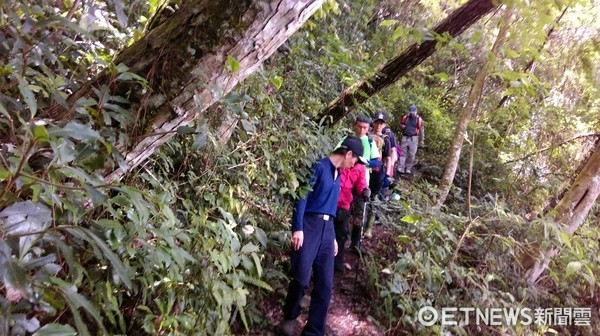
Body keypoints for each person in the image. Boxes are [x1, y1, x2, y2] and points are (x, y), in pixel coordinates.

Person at [276, 135, 367, 336]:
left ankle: (314, 331)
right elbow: (302, 197)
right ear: (348, 153)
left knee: (325, 286)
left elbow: (332, 210)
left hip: (327, 231)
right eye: (355, 160)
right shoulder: (319, 166)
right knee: (301, 278)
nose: (354, 165)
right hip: (309, 226)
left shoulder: (339, 175)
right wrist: (297, 228)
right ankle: (290, 316)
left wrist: (333, 237)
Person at [333, 155, 368, 274]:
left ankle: (337, 262)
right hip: (331, 203)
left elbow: (360, 185)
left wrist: (364, 191)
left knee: (341, 234)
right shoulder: (341, 162)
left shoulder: (360, 168)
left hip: (345, 204)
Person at [398, 105, 425, 175]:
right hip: (405, 137)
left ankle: (408, 168)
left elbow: (422, 130)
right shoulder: (405, 117)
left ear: (416, 112)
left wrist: (422, 139)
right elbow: (400, 124)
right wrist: (402, 126)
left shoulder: (419, 120)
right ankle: (400, 167)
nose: (412, 114)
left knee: (411, 154)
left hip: (414, 138)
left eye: (413, 112)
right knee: (402, 153)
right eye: (411, 112)